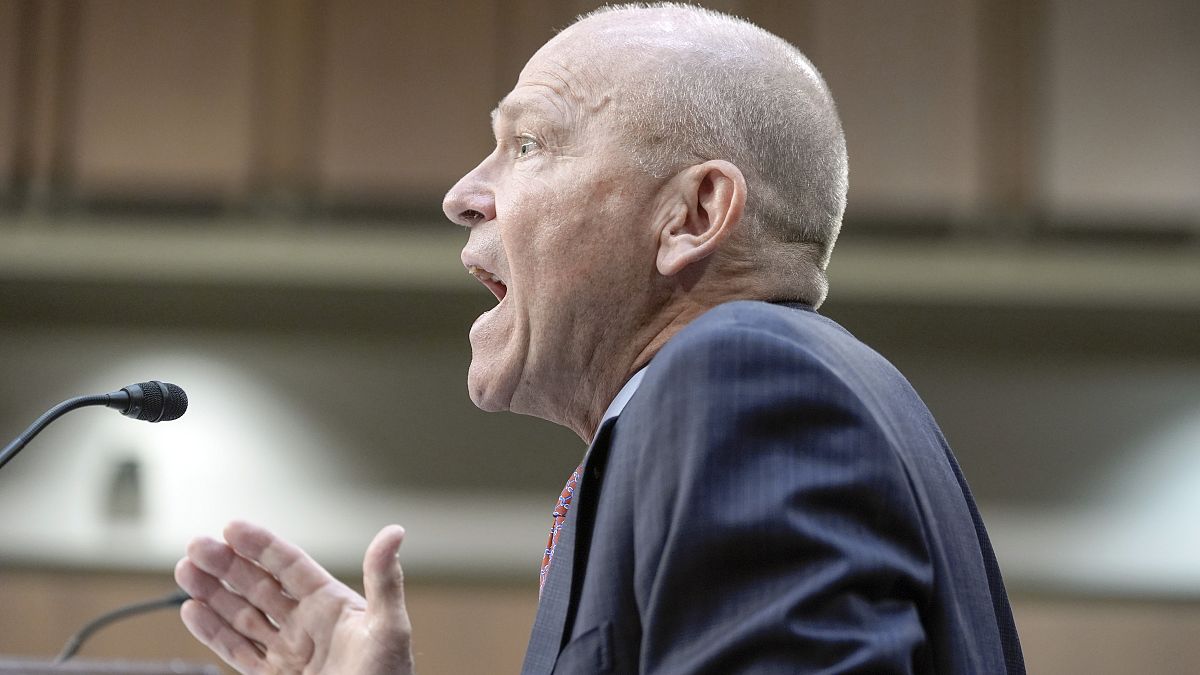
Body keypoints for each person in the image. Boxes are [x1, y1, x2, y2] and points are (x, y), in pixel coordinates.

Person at [174, 4, 1025, 674]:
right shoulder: (761, 396)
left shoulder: (744, 384)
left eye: (528, 144)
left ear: (691, 215)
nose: (463, 194)